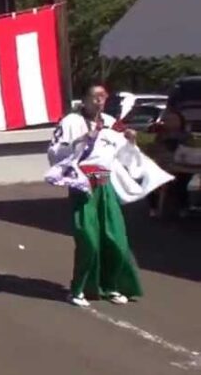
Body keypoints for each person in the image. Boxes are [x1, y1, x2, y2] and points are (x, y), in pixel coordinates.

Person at [47, 84, 171, 308]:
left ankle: (111, 286)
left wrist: (132, 140)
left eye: (103, 97)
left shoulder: (111, 122)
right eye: (94, 97)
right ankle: (79, 289)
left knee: (116, 238)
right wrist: (82, 139)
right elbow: (56, 151)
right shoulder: (71, 122)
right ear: (83, 100)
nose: (99, 101)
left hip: (105, 184)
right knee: (89, 240)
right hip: (82, 184)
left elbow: (122, 151)